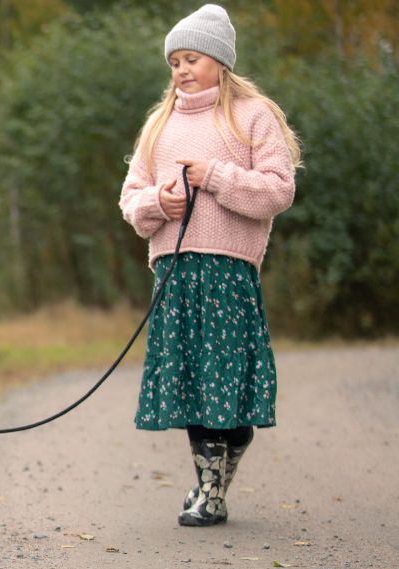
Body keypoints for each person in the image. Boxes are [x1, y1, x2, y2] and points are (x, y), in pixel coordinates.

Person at [119, 3, 300, 527]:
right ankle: (211, 493)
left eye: (191, 59)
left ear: (220, 61)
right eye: (174, 61)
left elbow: (279, 190)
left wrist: (217, 177)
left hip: (229, 276)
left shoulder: (251, 116)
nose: (181, 70)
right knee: (194, 389)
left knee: (228, 391)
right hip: (175, 276)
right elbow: (131, 197)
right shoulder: (159, 125)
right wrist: (159, 202)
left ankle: (212, 480)